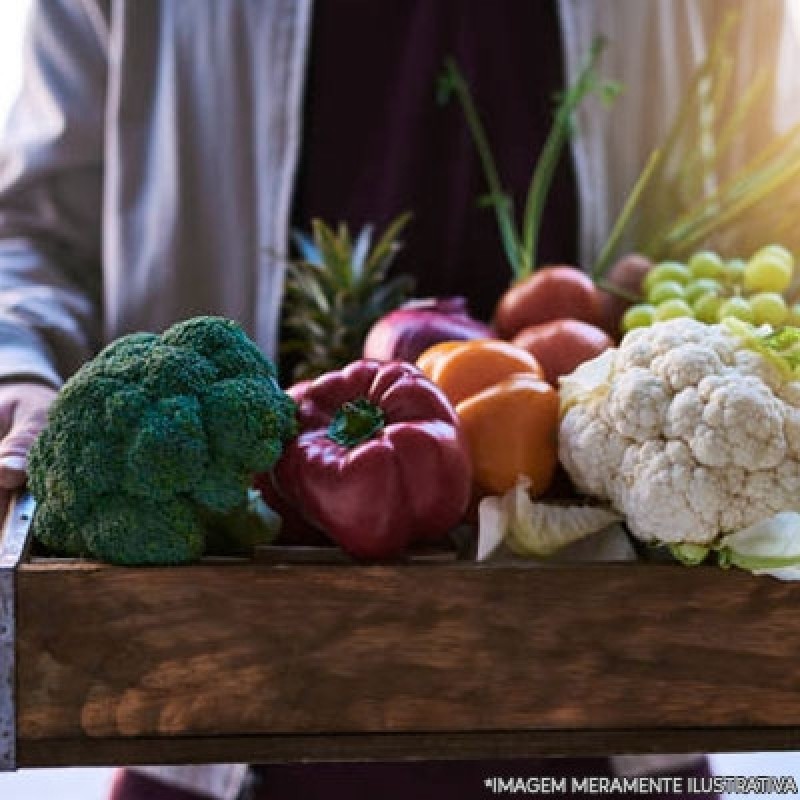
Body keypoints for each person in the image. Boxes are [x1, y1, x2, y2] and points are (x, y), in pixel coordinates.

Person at [1, 2, 797, 799]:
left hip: (615, 704)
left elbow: (773, 207)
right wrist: (18, 373)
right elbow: (34, 231)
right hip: (209, 697)